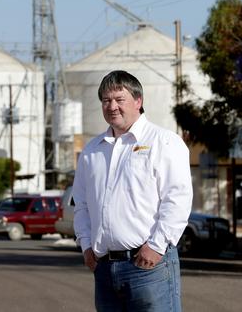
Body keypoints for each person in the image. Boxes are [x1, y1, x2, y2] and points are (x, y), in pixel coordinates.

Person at [72, 70, 193, 311]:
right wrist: (86, 245)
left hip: (148, 267)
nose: (112, 106)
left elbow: (177, 199)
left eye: (119, 99)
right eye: (106, 101)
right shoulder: (92, 151)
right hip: (105, 269)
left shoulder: (164, 142)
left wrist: (157, 247)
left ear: (138, 101)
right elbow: (82, 204)